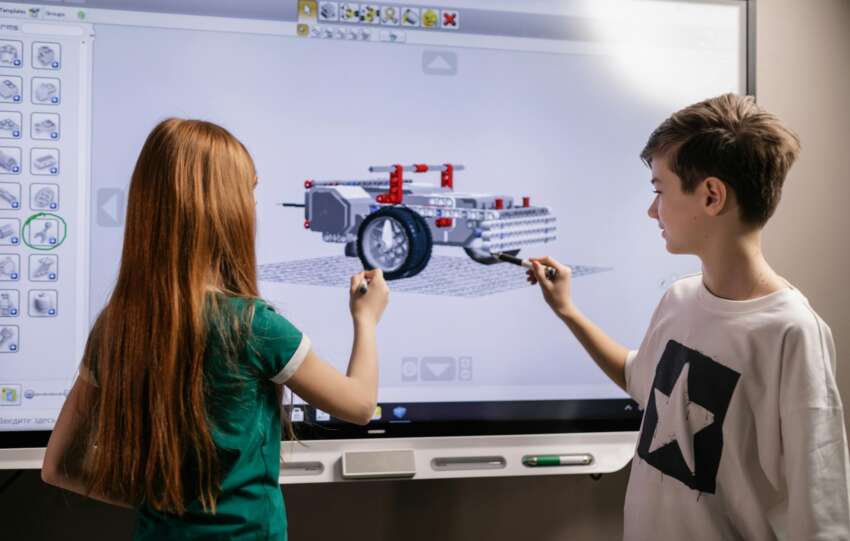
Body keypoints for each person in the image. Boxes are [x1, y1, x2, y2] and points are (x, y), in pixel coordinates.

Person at [41, 118, 390, 540]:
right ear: (225, 208)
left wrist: (161, 503)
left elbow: (58, 467)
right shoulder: (254, 326)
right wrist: (366, 319)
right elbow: (359, 406)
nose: (254, 206)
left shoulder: (116, 327)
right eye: (249, 191)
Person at [528, 94, 850, 539]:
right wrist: (567, 310)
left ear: (711, 196)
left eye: (659, 191)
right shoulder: (678, 300)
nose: (652, 210)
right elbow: (636, 376)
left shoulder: (791, 332)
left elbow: (822, 512)